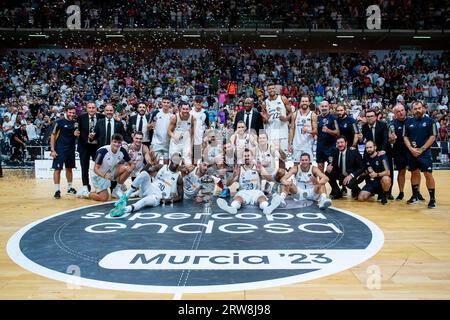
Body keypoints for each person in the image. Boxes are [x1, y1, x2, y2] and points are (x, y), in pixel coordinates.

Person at [112, 153, 184, 216]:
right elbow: (142, 171)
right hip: (149, 188)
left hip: (158, 196)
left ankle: (125, 209)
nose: (175, 163)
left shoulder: (178, 177)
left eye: (177, 161)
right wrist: (150, 163)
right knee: (144, 174)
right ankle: (125, 197)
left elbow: (180, 197)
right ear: (171, 159)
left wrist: (167, 200)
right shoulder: (161, 167)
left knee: (144, 201)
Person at [216, 148, 282, 215]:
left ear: (252, 157)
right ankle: (232, 208)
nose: (246, 157)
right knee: (238, 199)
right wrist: (233, 175)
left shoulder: (258, 167)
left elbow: (270, 179)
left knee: (261, 199)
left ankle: (267, 208)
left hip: (256, 191)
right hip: (243, 192)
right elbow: (228, 184)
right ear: (242, 158)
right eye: (245, 156)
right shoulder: (239, 168)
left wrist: (261, 172)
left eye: (248, 155)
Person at [78, 133, 136, 201]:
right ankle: (85, 193)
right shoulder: (102, 151)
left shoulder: (122, 150)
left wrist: (131, 168)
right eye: (115, 142)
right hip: (98, 174)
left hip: (109, 171)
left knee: (127, 168)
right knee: (104, 198)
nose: (117, 144)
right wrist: (105, 175)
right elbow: (95, 169)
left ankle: (116, 190)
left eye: (119, 142)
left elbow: (132, 163)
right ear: (111, 141)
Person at [403, 101, 437, 208]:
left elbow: (433, 137)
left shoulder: (430, 121)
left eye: (419, 108)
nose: (417, 110)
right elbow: (405, 137)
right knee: (414, 173)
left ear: (423, 108)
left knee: (428, 174)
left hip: (425, 153)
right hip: (412, 152)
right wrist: (411, 149)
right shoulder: (408, 122)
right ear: (412, 110)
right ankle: (415, 195)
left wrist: (422, 149)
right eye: (415, 108)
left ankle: (432, 199)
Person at [388, 103, 424, 201]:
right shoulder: (392, 124)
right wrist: (392, 140)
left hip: (412, 151)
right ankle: (401, 192)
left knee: (416, 172)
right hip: (399, 151)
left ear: (406, 110)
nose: (401, 113)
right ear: (395, 114)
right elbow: (390, 140)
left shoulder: (413, 121)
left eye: (402, 110)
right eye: (398, 111)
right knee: (401, 172)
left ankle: (417, 192)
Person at [50, 106, 79, 199]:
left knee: (69, 168)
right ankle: (57, 190)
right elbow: (53, 135)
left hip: (71, 149)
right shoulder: (59, 122)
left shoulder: (76, 123)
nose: (71, 114)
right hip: (60, 149)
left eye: (73, 113)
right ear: (66, 112)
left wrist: (76, 135)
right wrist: (52, 150)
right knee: (57, 169)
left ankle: (70, 188)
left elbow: (76, 134)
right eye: (70, 112)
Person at [76, 102, 104, 195]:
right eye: (89, 108)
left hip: (97, 147)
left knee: (100, 167)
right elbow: (76, 128)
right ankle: (85, 186)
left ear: (96, 108)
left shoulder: (102, 117)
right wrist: (75, 131)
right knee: (84, 167)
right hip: (84, 146)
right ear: (86, 109)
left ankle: (100, 187)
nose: (91, 109)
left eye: (93, 107)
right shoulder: (81, 117)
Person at [357, 141, 392, 205]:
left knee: (386, 179)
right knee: (361, 198)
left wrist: (377, 174)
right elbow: (364, 170)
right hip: (371, 183)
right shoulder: (365, 157)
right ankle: (371, 193)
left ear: (375, 147)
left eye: (370, 147)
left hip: (381, 182)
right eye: (367, 148)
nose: (369, 149)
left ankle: (384, 195)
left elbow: (388, 172)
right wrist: (363, 173)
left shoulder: (382, 156)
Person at [261, 83, 292, 154]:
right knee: (272, 155)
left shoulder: (282, 98)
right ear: (267, 90)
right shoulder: (264, 103)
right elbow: (264, 120)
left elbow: (291, 112)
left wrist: (286, 118)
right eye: (269, 89)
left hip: (282, 130)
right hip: (271, 131)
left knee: (283, 156)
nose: (271, 90)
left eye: (273, 88)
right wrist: (266, 119)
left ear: (275, 89)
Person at [289, 95, 318, 163]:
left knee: (308, 166)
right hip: (296, 144)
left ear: (309, 103)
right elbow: (292, 129)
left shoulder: (313, 115)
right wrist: (290, 144)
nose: (304, 103)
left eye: (306, 101)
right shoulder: (295, 114)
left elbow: (316, 131)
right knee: (296, 165)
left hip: (308, 145)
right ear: (300, 103)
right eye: (303, 101)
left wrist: (308, 131)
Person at [316, 100, 340, 172]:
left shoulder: (333, 118)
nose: (324, 108)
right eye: (322, 106)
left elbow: (338, 133)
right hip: (320, 146)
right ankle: (321, 183)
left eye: (325, 106)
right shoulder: (317, 118)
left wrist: (328, 130)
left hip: (330, 147)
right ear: (319, 107)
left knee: (330, 168)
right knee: (320, 166)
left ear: (329, 106)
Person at [150, 96, 173, 164]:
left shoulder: (173, 116)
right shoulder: (156, 112)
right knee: (155, 164)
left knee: (166, 165)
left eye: (168, 103)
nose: (166, 104)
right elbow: (148, 126)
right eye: (164, 102)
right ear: (161, 103)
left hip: (167, 143)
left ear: (170, 104)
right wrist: (151, 125)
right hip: (156, 142)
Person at [190, 96, 210, 164]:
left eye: (200, 102)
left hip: (198, 140)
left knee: (197, 161)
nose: (198, 103)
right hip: (188, 140)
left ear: (202, 103)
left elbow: (208, 126)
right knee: (187, 160)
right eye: (197, 102)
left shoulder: (205, 113)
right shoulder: (189, 111)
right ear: (194, 102)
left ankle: (195, 173)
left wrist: (205, 139)